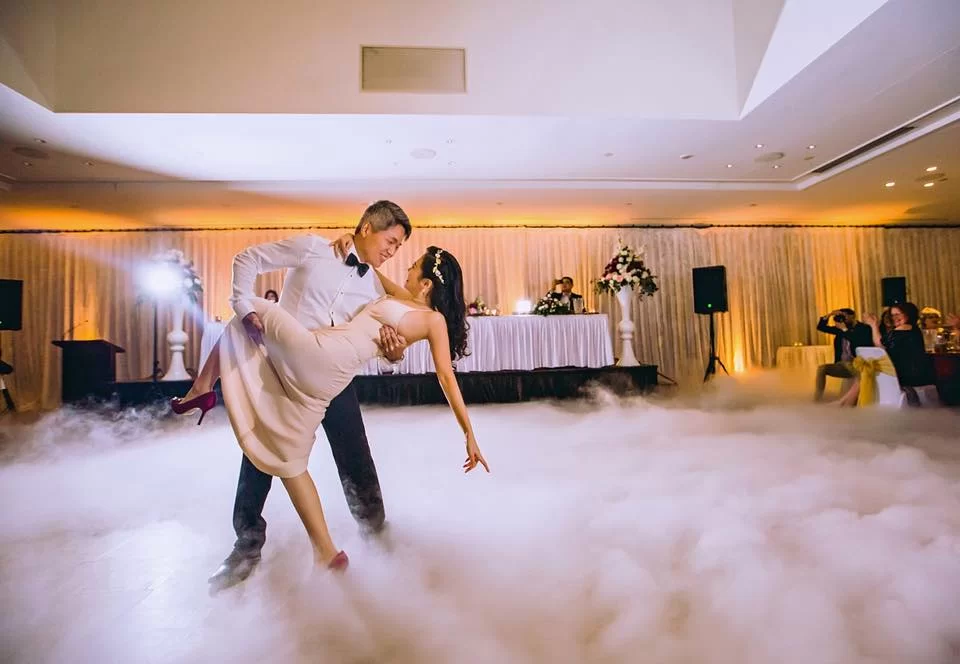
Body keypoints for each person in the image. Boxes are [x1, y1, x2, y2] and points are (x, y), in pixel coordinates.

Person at [174, 244, 489, 575]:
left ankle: (371, 533)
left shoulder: (432, 319)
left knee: (251, 310)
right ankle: (294, 549)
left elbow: (445, 376)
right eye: (392, 243)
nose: (403, 264)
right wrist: (350, 241)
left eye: (412, 264)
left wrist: (468, 432)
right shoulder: (344, 265)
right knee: (283, 450)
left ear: (426, 284)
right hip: (307, 355)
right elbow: (370, 264)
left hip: (327, 361)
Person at [174, 201, 412, 590]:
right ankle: (246, 546)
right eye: (391, 241)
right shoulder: (314, 248)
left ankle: (375, 532)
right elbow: (247, 259)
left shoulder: (374, 288)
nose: (393, 251)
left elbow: (381, 342)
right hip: (280, 370)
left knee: (356, 454)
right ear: (368, 227)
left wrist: (393, 353)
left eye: (399, 247)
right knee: (260, 454)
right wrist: (243, 306)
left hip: (331, 378)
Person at [837, 302, 935, 406]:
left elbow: (881, 345)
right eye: (892, 315)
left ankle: (845, 403)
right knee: (866, 370)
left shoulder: (906, 327)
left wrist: (874, 325)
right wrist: (874, 325)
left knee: (866, 371)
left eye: (898, 314)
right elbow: (881, 346)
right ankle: (845, 402)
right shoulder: (909, 330)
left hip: (911, 373)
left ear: (908, 314)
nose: (895, 318)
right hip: (905, 371)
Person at [814, 308, 873, 401]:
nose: (843, 319)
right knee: (822, 369)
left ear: (852, 316)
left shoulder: (863, 328)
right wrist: (830, 314)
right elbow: (821, 327)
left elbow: (858, 341)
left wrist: (845, 330)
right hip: (843, 365)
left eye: (844, 316)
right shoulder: (841, 329)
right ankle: (817, 399)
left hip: (859, 364)